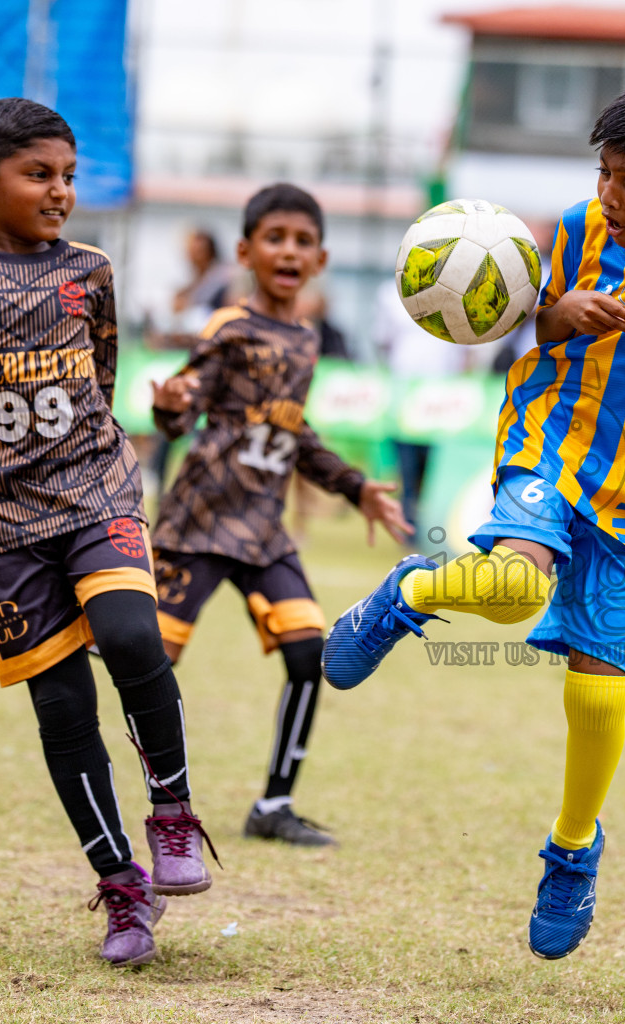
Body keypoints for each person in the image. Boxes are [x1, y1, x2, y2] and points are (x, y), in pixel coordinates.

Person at [323, 70, 625, 960]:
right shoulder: (573, 228)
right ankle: (409, 595)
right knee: (515, 590)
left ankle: (573, 851)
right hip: (548, 440)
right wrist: (562, 311)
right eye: (606, 174)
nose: (610, 195)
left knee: (600, 684)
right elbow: (532, 325)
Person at [0, 98, 212, 967]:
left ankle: (174, 813)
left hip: (95, 490)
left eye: (68, 176)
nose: (60, 191)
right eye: (38, 175)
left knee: (132, 635)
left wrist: (123, 441)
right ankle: (122, 887)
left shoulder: (91, 269)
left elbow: (100, 380)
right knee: (63, 709)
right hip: (6, 524)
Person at [147, 184, 409, 846]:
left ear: (320, 259)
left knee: (306, 652)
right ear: (245, 252)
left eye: (302, 242)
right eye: (275, 239)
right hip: (201, 521)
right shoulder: (228, 327)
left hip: (263, 530)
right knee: (146, 660)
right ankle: (63, 624)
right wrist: (169, 408)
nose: (289, 252)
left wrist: (355, 488)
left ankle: (273, 806)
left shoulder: (305, 339)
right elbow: (184, 406)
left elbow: (294, 432)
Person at [375, 277, 465, 530]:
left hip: (443, 398)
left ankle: (427, 522)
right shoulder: (389, 293)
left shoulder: (457, 289)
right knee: (406, 464)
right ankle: (409, 524)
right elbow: (383, 341)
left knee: (433, 465)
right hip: (404, 394)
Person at [170, 230, 233, 334]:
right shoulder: (199, 277)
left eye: (198, 252)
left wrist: (186, 302)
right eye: (191, 253)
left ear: (210, 252)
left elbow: (205, 297)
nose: (193, 258)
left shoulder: (223, 275)